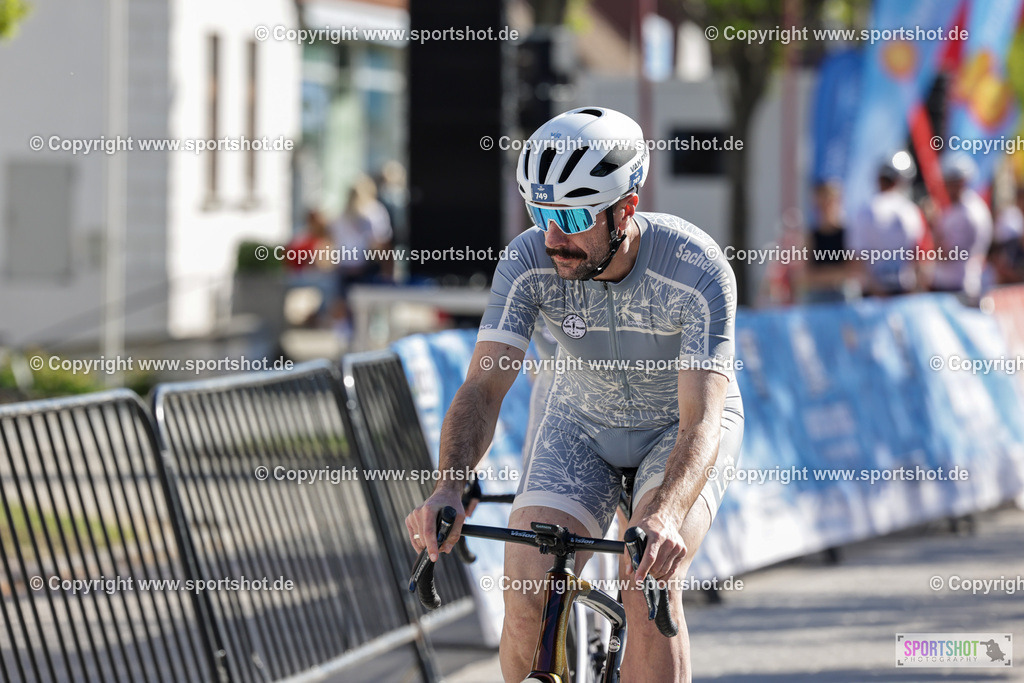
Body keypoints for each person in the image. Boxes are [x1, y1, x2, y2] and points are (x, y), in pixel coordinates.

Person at [405, 107, 744, 682]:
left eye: (574, 215)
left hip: (677, 430)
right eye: (541, 213)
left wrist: (662, 515)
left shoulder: (696, 267)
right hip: (581, 425)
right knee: (526, 592)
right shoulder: (526, 260)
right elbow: (483, 388)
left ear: (626, 208)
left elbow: (700, 422)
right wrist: (449, 485)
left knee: (647, 586)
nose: (554, 237)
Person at [850, 154, 926, 297]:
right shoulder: (910, 210)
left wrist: (876, 289)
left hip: (872, 293)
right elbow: (920, 255)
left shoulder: (864, 210)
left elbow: (857, 256)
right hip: (903, 290)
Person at [330, 175, 394, 343]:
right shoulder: (373, 212)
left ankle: (350, 346)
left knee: (353, 313)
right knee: (363, 314)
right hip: (362, 269)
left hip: (349, 269)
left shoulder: (345, 215)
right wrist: (388, 270)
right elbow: (382, 244)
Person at [930, 154, 993, 299]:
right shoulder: (968, 207)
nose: (946, 186)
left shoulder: (966, 213)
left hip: (955, 288)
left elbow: (945, 255)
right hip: (963, 284)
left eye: (950, 182)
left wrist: (933, 225)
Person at [796, 181, 861, 303]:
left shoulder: (848, 234)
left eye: (829, 202)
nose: (825, 208)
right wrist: (834, 274)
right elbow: (802, 277)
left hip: (843, 297)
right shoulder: (811, 237)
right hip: (817, 299)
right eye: (821, 203)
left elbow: (854, 271)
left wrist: (822, 274)